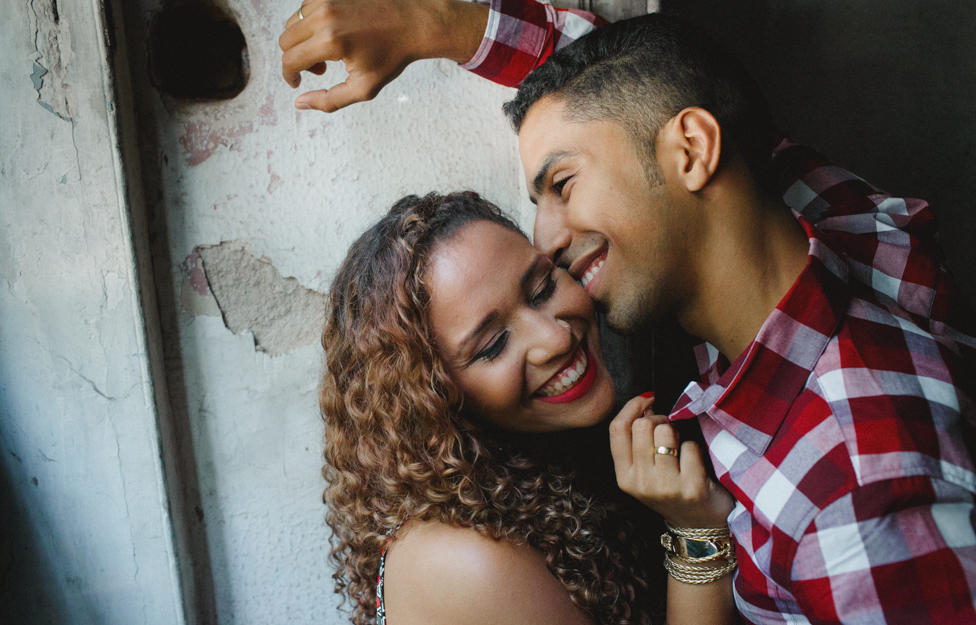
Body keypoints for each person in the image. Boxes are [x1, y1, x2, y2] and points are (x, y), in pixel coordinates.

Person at [284, 1, 976, 623]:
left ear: (692, 152)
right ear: (433, 391)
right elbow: (638, 83)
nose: (550, 238)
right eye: (490, 342)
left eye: (561, 184)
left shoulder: (852, 502)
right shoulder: (847, 234)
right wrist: (432, 27)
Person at [321, 191, 739, 625]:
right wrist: (696, 535)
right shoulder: (466, 562)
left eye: (543, 288)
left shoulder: (534, 476)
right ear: (432, 399)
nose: (555, 339)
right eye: (494, 345)